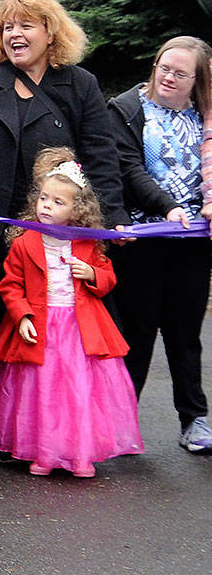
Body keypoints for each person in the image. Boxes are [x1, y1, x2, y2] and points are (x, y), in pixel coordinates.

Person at [0, 0, 127, 435]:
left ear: (51, 32)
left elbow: (102, 158)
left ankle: (62, 432)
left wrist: (108, 224)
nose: (15, 34)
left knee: (61, 335)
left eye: (26, 25)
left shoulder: (81, 85)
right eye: (8, 26)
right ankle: (13, 431)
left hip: (58, 236)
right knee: (5, 328)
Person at [0, 148, 142, 477]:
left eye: (58, 202)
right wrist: (22, 316)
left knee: (78, 395)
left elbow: (108, 278)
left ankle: (79, 455)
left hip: (78, 331)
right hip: (40, 328)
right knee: (41, 394)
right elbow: (10, 285)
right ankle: (43, 452)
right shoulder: (24, 242)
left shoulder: (88, 241)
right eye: (44, 198)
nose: (47, 206)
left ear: (77, 210)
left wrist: (92, 274)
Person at [108, 36, 212, 453]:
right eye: (163, 68)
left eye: (180, 73)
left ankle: (195, 419)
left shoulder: (206, 118)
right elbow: (128, 167)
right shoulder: (126, 108)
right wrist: (167, 206)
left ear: (197, 80)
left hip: (192, 242)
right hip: (143, 237)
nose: (168, 77)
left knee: (185, 333)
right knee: (137, 331)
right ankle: (121, 422)